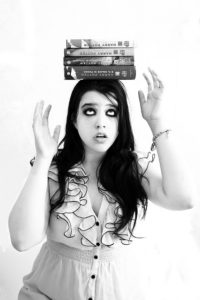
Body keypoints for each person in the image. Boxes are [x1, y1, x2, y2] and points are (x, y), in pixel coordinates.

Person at [8, 68, 195, 300]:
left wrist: (157, 123)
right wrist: (43, 158)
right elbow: (22, 240)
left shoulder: (135, 168)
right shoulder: (52, 170)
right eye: (89, 111)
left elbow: (184, 199)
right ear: (74, 119)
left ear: (121, 119)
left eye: (111, 112)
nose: (101, 123)